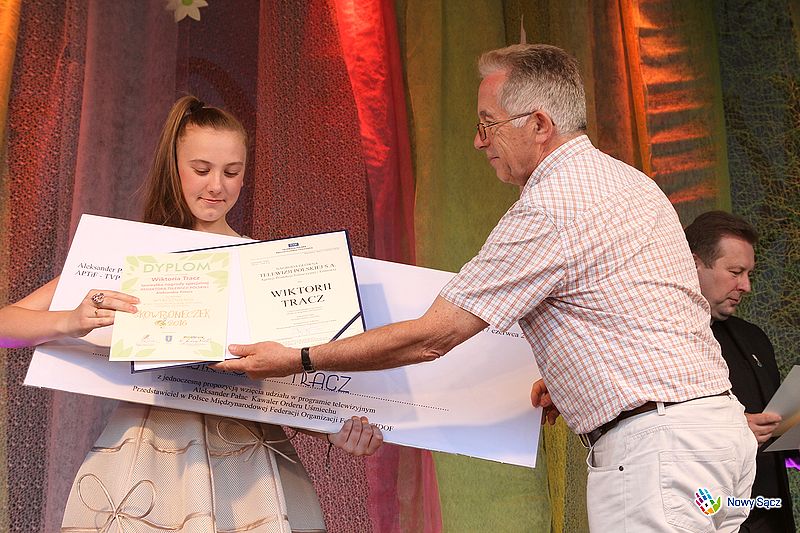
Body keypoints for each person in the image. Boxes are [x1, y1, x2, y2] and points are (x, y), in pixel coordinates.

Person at [214, 44, 758, 531]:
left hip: (658, 454)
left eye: (488, 124)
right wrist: (575, 381)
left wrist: (298, 358)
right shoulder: (628, 181)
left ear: (539, 123)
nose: (479, 141)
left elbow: (433, 337)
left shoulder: (552, 205)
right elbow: (637, 308)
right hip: (715, 441)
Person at [1, 95, 383, 532]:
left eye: (231, 172)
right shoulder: (130, 253)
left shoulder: (266, 266)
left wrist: (334, 428)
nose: (216, 185)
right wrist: (70, 319)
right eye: (201, 169)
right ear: (175, 167)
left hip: (249, 464)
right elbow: (6, 326)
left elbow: (290, 383)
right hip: (150, 456)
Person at [686, 210, 796, 532]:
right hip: (710, 515)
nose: (745, 286)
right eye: (735, 272)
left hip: (772, 515)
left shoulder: (754, 338)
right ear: (694, 264)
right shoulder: (665, 338)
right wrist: (733, 428)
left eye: (749, 273)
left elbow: (783, 444)